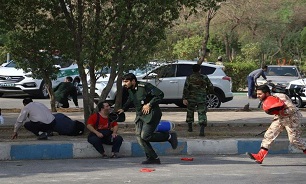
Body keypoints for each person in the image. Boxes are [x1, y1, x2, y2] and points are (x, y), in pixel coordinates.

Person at [117, 73, 178, 164]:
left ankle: (168, 136)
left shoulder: (144, 86)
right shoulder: (130, 89)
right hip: (140, 115)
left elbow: (160, 94)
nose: (124, 84)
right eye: (123, 82)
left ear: (133, 81)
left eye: (126, 81)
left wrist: (149, 104)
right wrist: (123, 109)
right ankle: (153, 158)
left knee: (145, 136)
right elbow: (131, 99)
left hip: (151, 114)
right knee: (139, 138)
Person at [246, 85, 306, 164]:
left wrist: (281, 112)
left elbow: (292, 109)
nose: (258, 96)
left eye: (260, 94)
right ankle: (260, 156)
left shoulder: (280, 97)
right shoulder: (266, 100)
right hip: (280, 118)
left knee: (294, 140)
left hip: (292, 118)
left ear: (267, 93)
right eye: (257, 94)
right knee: (269, 135)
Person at [182, 64, 214, 136]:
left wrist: (185, 98)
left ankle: (190, 128)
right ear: (200, 70)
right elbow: (211, 87)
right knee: (202, 113)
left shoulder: (189, 78)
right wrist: (206, 92)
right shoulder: (204, 77)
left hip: (191, 98)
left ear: (193, 70)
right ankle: (202, 130)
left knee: (190, 112)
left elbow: (186, 88)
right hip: (201, 98)